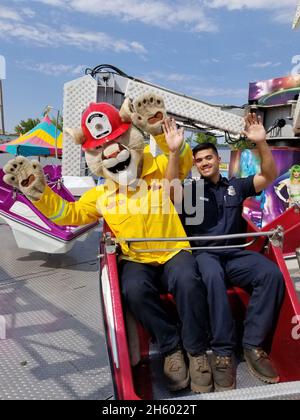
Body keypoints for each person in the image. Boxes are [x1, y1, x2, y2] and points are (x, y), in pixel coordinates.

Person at [3, 95, 211, 394]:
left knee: (189, 280)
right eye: (99, 148)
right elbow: (68, 214)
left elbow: (181, 164)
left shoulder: (157, 168)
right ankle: (171, 348)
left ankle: (196, 351)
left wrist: (164, 138)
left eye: (119, 141)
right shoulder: (100, 193)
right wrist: (40, 193)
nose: (112, 152)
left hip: (173, 249)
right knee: (132, 290)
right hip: (136, 258)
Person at [165, 114, 285, 392]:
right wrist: (173, 152)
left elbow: (268, 175)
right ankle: (222, 352)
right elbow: (170, 190)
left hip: (235, 253)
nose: (205, 163)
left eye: (209, 158)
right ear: (195, 166)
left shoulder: (236, 186)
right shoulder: (192, 190)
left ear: (218, 160)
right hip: (206, 254)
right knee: (212, 278)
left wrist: (261, 142)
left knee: (271, 274)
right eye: (199, 160)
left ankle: (253, 345)